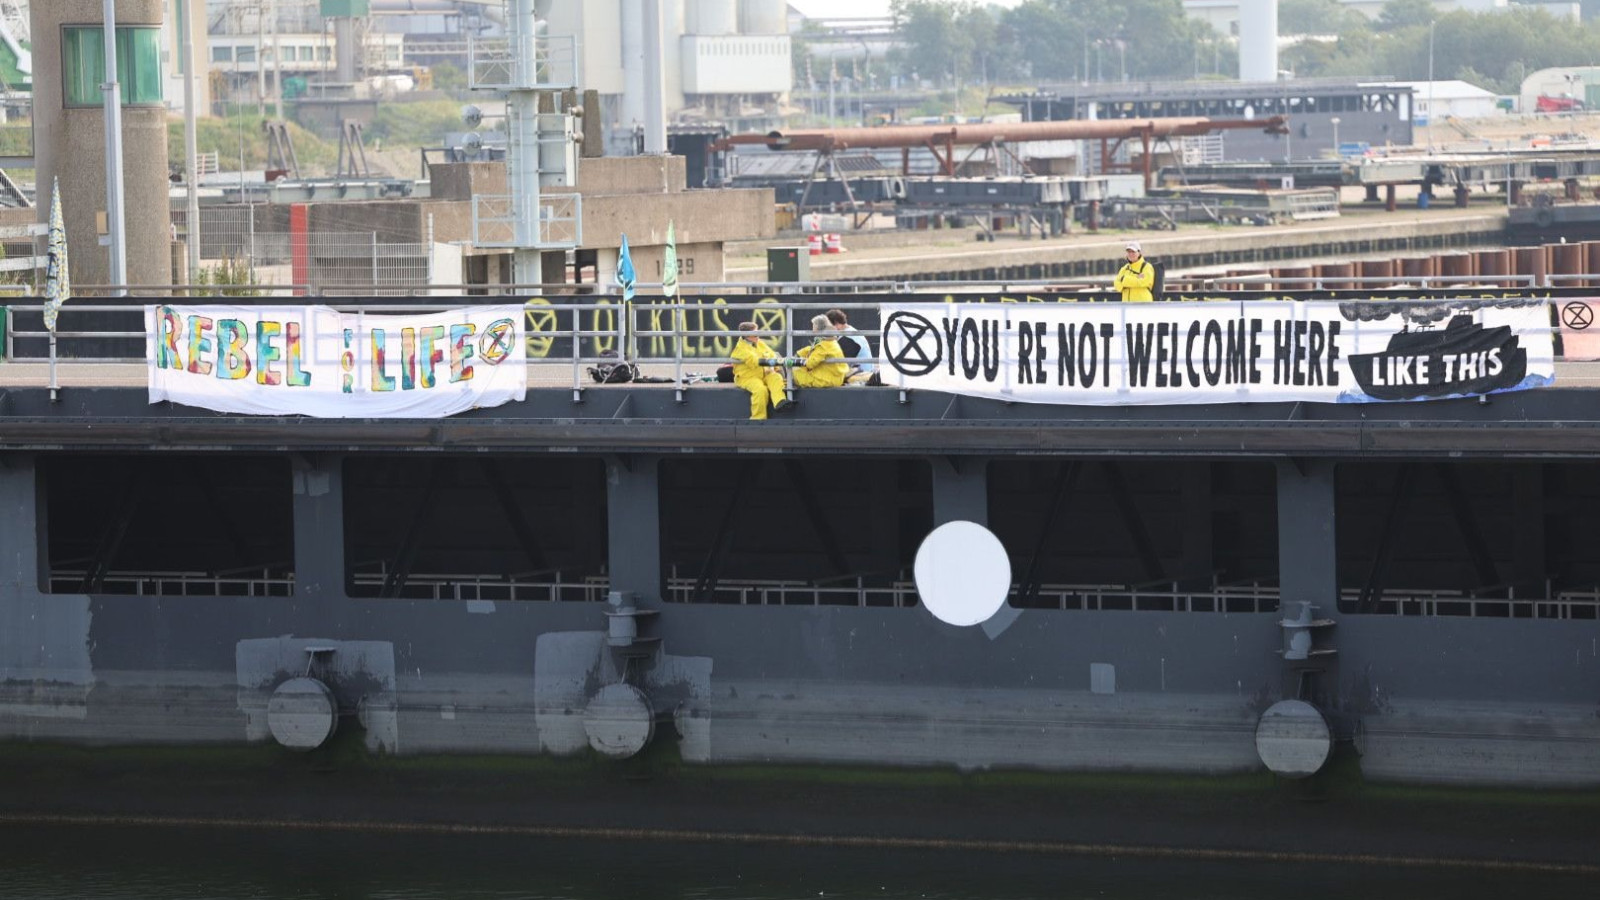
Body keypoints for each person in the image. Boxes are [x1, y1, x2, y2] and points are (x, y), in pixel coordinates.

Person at [730, 321, 792, 420]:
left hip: (764, 373)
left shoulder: (759, 343)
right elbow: (755, 361)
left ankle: (779, 402)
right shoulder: (740, 349)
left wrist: (772, 366)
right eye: (755, 333)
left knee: (776, 377)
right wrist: (770, 363)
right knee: (760, 390)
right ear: (746, 336)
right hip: (747, 377)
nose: (758, 335)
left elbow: (772, 354)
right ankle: (758, 418)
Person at [792, 314, 849, 388]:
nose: (812, 329)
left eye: (813, 326)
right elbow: (812, 349)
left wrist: (798, 360)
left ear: (817, 327)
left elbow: (810, 363)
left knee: (794, 370)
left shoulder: (823, 345)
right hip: (836, 378)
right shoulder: (831, 341)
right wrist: (800, 353)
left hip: (826, 380)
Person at [825, 308, 875, 381]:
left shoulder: (849, 338)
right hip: (863, 375)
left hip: (861, 380)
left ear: (836, 323)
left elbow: (838, 366)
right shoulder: (851, 333)